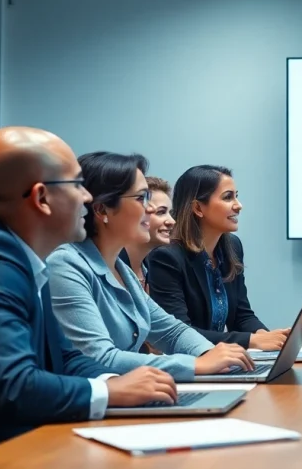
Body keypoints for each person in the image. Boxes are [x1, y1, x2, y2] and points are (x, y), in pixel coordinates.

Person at [0, 127, 178, 469]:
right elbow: (14, 386)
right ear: (41, 197)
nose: (87, 198)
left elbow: (65, 358)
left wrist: (118, 382)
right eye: (77, 184)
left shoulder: (20, 254)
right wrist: (110, 393)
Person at [47, 152, 254, 382]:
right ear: (102, 210)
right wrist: (196, 364)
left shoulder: (121, 270)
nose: (149, 209)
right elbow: (99, 358)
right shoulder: (66, 265)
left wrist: (210, 354)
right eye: (141, 198)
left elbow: (171, 331)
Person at [149, 165, 288, 351]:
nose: (238, 205)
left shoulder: (232, 247)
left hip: (221, 361)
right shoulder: (166, 257)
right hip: (191, 362)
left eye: (236, 196)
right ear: (198, 208)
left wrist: (267, 336)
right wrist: (250, 340)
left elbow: (242, 316)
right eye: (228, 197)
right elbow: (180, 334)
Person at [120, 176, 175, 293]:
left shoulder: (151, 268)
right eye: (161, 212)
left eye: (170, 213)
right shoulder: (111, 267)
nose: (172, 221)